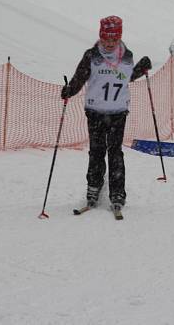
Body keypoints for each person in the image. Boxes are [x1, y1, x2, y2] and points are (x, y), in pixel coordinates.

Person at [61, 15, 152, 213]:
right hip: (95, 112)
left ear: (119, 37)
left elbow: (127, 77)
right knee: (96, 151)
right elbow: (80, 77)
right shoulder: (91, 55)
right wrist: (70, 89)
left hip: (118, 111)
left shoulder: (127, 56)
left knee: (115, 152)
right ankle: (94, 186)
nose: (110, 43)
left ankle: (117, 191)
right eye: (106, 39)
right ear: (100, 37)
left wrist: (140, 68)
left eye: (114, 39)